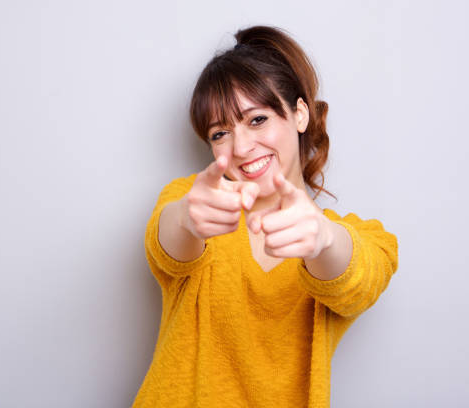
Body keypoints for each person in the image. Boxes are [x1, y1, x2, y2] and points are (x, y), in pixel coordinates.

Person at [132, 25, 398, 408]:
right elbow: (168, 242)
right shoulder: (189, 198)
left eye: (257, 120)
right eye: (220, 133)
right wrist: (188, 219)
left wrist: (324, 239)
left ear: (300, 114)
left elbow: (361, 277)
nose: (240, 147)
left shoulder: (357, 236)